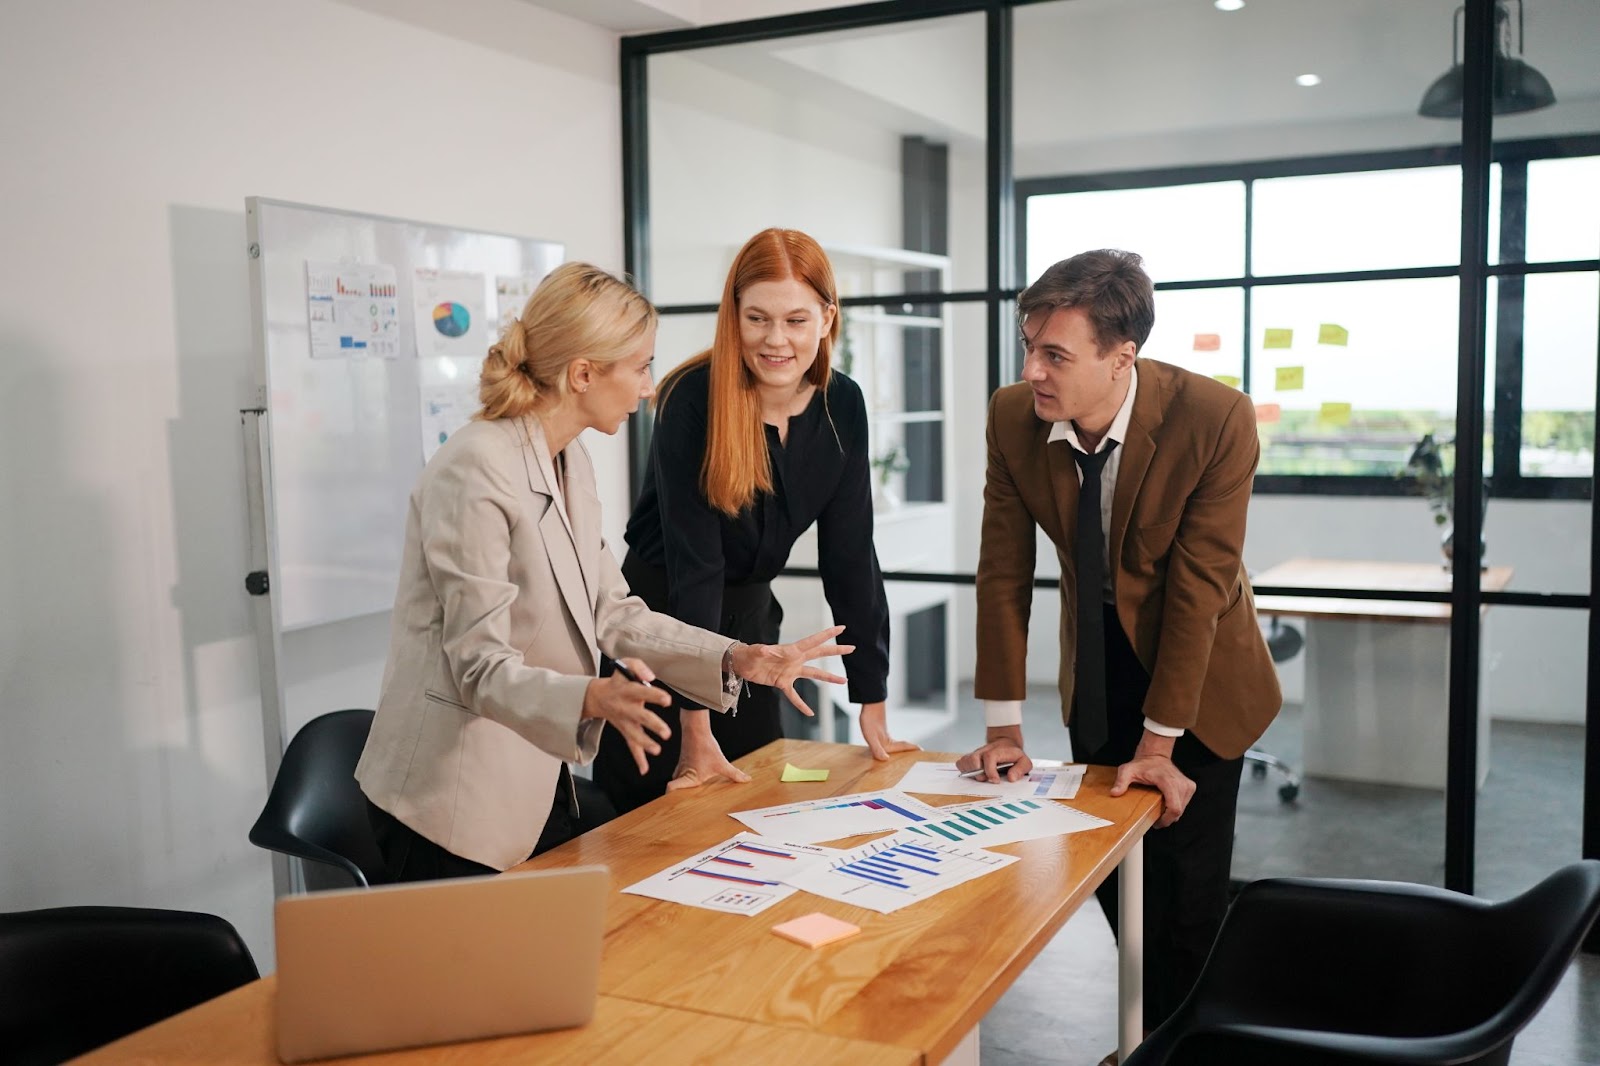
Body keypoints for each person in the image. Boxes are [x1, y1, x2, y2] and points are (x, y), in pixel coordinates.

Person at [355, 262, 851, 882]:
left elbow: (613, 611)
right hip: (448, 801)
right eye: (641, 366)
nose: (649, 388)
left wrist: (736, 656)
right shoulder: (475, 468)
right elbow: (479, 667)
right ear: (583, 374)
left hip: (535, 778)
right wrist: (592, 694)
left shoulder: (571, 461)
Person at [957, 249, 1281, 1039]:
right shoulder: (1013, 416)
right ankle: (1155, 1035)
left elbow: (1200, 591)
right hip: (1098, 660)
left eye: (1055, 354)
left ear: (1120, 356)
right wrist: (1004, 723)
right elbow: (1003, 567)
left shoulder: (1215, 419)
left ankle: (1177, 1046)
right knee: (1110, 868)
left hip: (1201, 677)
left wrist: (1161, 739)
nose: (1033, 369)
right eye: (1029, 345)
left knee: (1186, 902)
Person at [593, 228, 915, 815]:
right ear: (733, 316)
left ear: (826, 317)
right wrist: (696, 724)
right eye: (757, 318)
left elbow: (851, 559)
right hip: (661, 628)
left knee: (756, 810)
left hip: (751, 630)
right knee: (649, 822)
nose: (776, 340)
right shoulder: (692, 398)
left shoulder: (842, 405)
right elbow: (697, 566)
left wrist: (873, 701)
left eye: (796, 320)